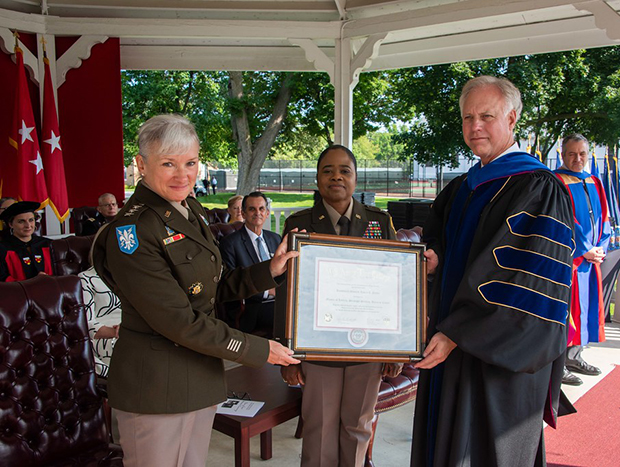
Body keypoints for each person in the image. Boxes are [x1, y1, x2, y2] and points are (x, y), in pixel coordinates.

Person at [92, 114, 300, 467]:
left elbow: (209, 289)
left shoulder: (189, 209)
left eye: (190, 163)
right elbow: (178, 320)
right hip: (156, 387)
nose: (183, 174)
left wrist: (270, 270)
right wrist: (258, 348)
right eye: (168, 164)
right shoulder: (133, 231)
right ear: (141, 165)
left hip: (201, 377)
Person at [410, 76, 575, 467]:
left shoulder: (538, 188)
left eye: (486, 115)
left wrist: (457, 332)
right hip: (448, 344)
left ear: (512, 117)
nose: (475, 127)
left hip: (499, 357)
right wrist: (434, 260)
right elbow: (445, 246)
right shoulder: (462, 187)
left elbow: (526, 279)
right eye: (468, 118)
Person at [275, 144, 402, 467]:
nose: (336, 176)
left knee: (357, 428)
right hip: (316, 348)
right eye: (328, 170)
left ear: (355, 179)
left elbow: (393, 287)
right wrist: (287, 355)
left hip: (367, 349)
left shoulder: (379, 222)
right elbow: (286, 290)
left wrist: (395, 349)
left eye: (344, 170)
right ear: (317, 178)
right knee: (318, 430)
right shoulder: (299, 223)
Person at [554, 134, 611, 386]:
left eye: (582, 154)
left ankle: (575, 356)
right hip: (570, 258)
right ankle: (558, 364)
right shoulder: (556, 182)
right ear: (562, 155)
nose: (578, 159)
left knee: (585, 308)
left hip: (590, 260)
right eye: (572, 154)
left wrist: (600, 247)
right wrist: (585, 248)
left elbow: (605, 218)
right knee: (567, 310)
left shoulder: (594, 181)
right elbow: (563, 220)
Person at [219, 192, 281, 336]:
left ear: (267, 213)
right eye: (252, 209)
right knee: (286, 314)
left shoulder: (275, 239)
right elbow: (229, 284)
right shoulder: (230, 243)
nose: (257, 213)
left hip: (279, 301)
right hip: (250, 307)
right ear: (243, 213)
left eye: (261, 209)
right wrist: (268, 291)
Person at [79, 265, 122, 378]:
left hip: (134, 326)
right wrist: (115, 332)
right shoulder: (86, 278)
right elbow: (86, 323)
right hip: (105, 335)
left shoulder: (132, 274)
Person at [0, 201, 53, 281]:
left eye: (31, 220)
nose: (28, 225)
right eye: (21, 221)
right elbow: (2, 278)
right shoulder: (3, 249)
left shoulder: (48, 244)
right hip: (18, 292)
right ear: (11, 224)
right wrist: (31, 283)